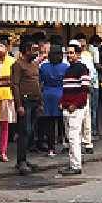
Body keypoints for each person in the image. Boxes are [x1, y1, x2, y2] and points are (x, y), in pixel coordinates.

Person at [10, 37, 43, 175]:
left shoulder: (34, 65)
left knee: (30, 131)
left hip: (35, 101)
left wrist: (41, 103)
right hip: (25, 101)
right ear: (26, 50)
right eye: (33, 50)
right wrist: (19, 105)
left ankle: (22, 159)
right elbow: (15, 85)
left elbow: (38, 84)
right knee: (24, 131)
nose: (36, 53)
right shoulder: (18, 65)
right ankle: (21, 161)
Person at [58, 42, 90, 175]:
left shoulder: (82, 69)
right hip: (67, 108)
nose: (69, 55)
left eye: (71, 53)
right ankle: (73, 164)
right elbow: (66, 91)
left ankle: (76, 165)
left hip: (76, 109)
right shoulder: (67, 70)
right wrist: (62, 102)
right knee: (70, 138)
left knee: (73, 137)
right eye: (68, 53)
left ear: (78, 54)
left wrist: (74, 105)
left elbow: (84, 91)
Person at [39, 45, 68, 156]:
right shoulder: (65, 67)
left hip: (47, 95)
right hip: (61, 94)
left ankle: (51, 148)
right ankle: (65, 144)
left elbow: (40, 81)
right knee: (63, 122)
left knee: (49, 124)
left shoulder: (44, 67)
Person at [71, 36, 96, 154]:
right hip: (74, 92)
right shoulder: (69, 61)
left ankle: (87, 142)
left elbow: (90, 74)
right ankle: (81, 142)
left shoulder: (86, 59)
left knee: (85, 117)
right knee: (79, 118)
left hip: (82, 91)